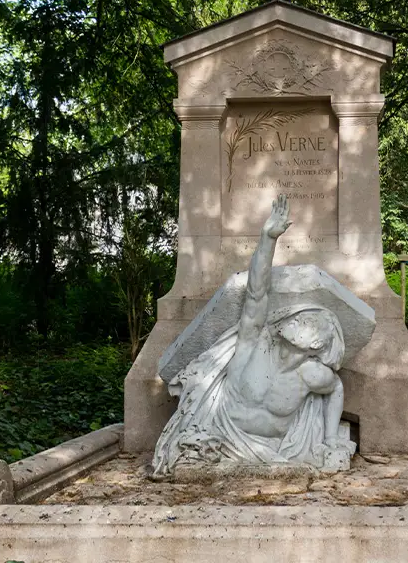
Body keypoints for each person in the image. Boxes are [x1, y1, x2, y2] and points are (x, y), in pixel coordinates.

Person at [151, 195, 354, 476]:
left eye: (307, 319)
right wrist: (268, 239)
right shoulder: (254, 344)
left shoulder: (311, 375)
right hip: (222, 434)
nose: (295, 318)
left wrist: (331, 440)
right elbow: (257, 292)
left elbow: (336, 390)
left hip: (273, 451)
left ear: (317, 343)